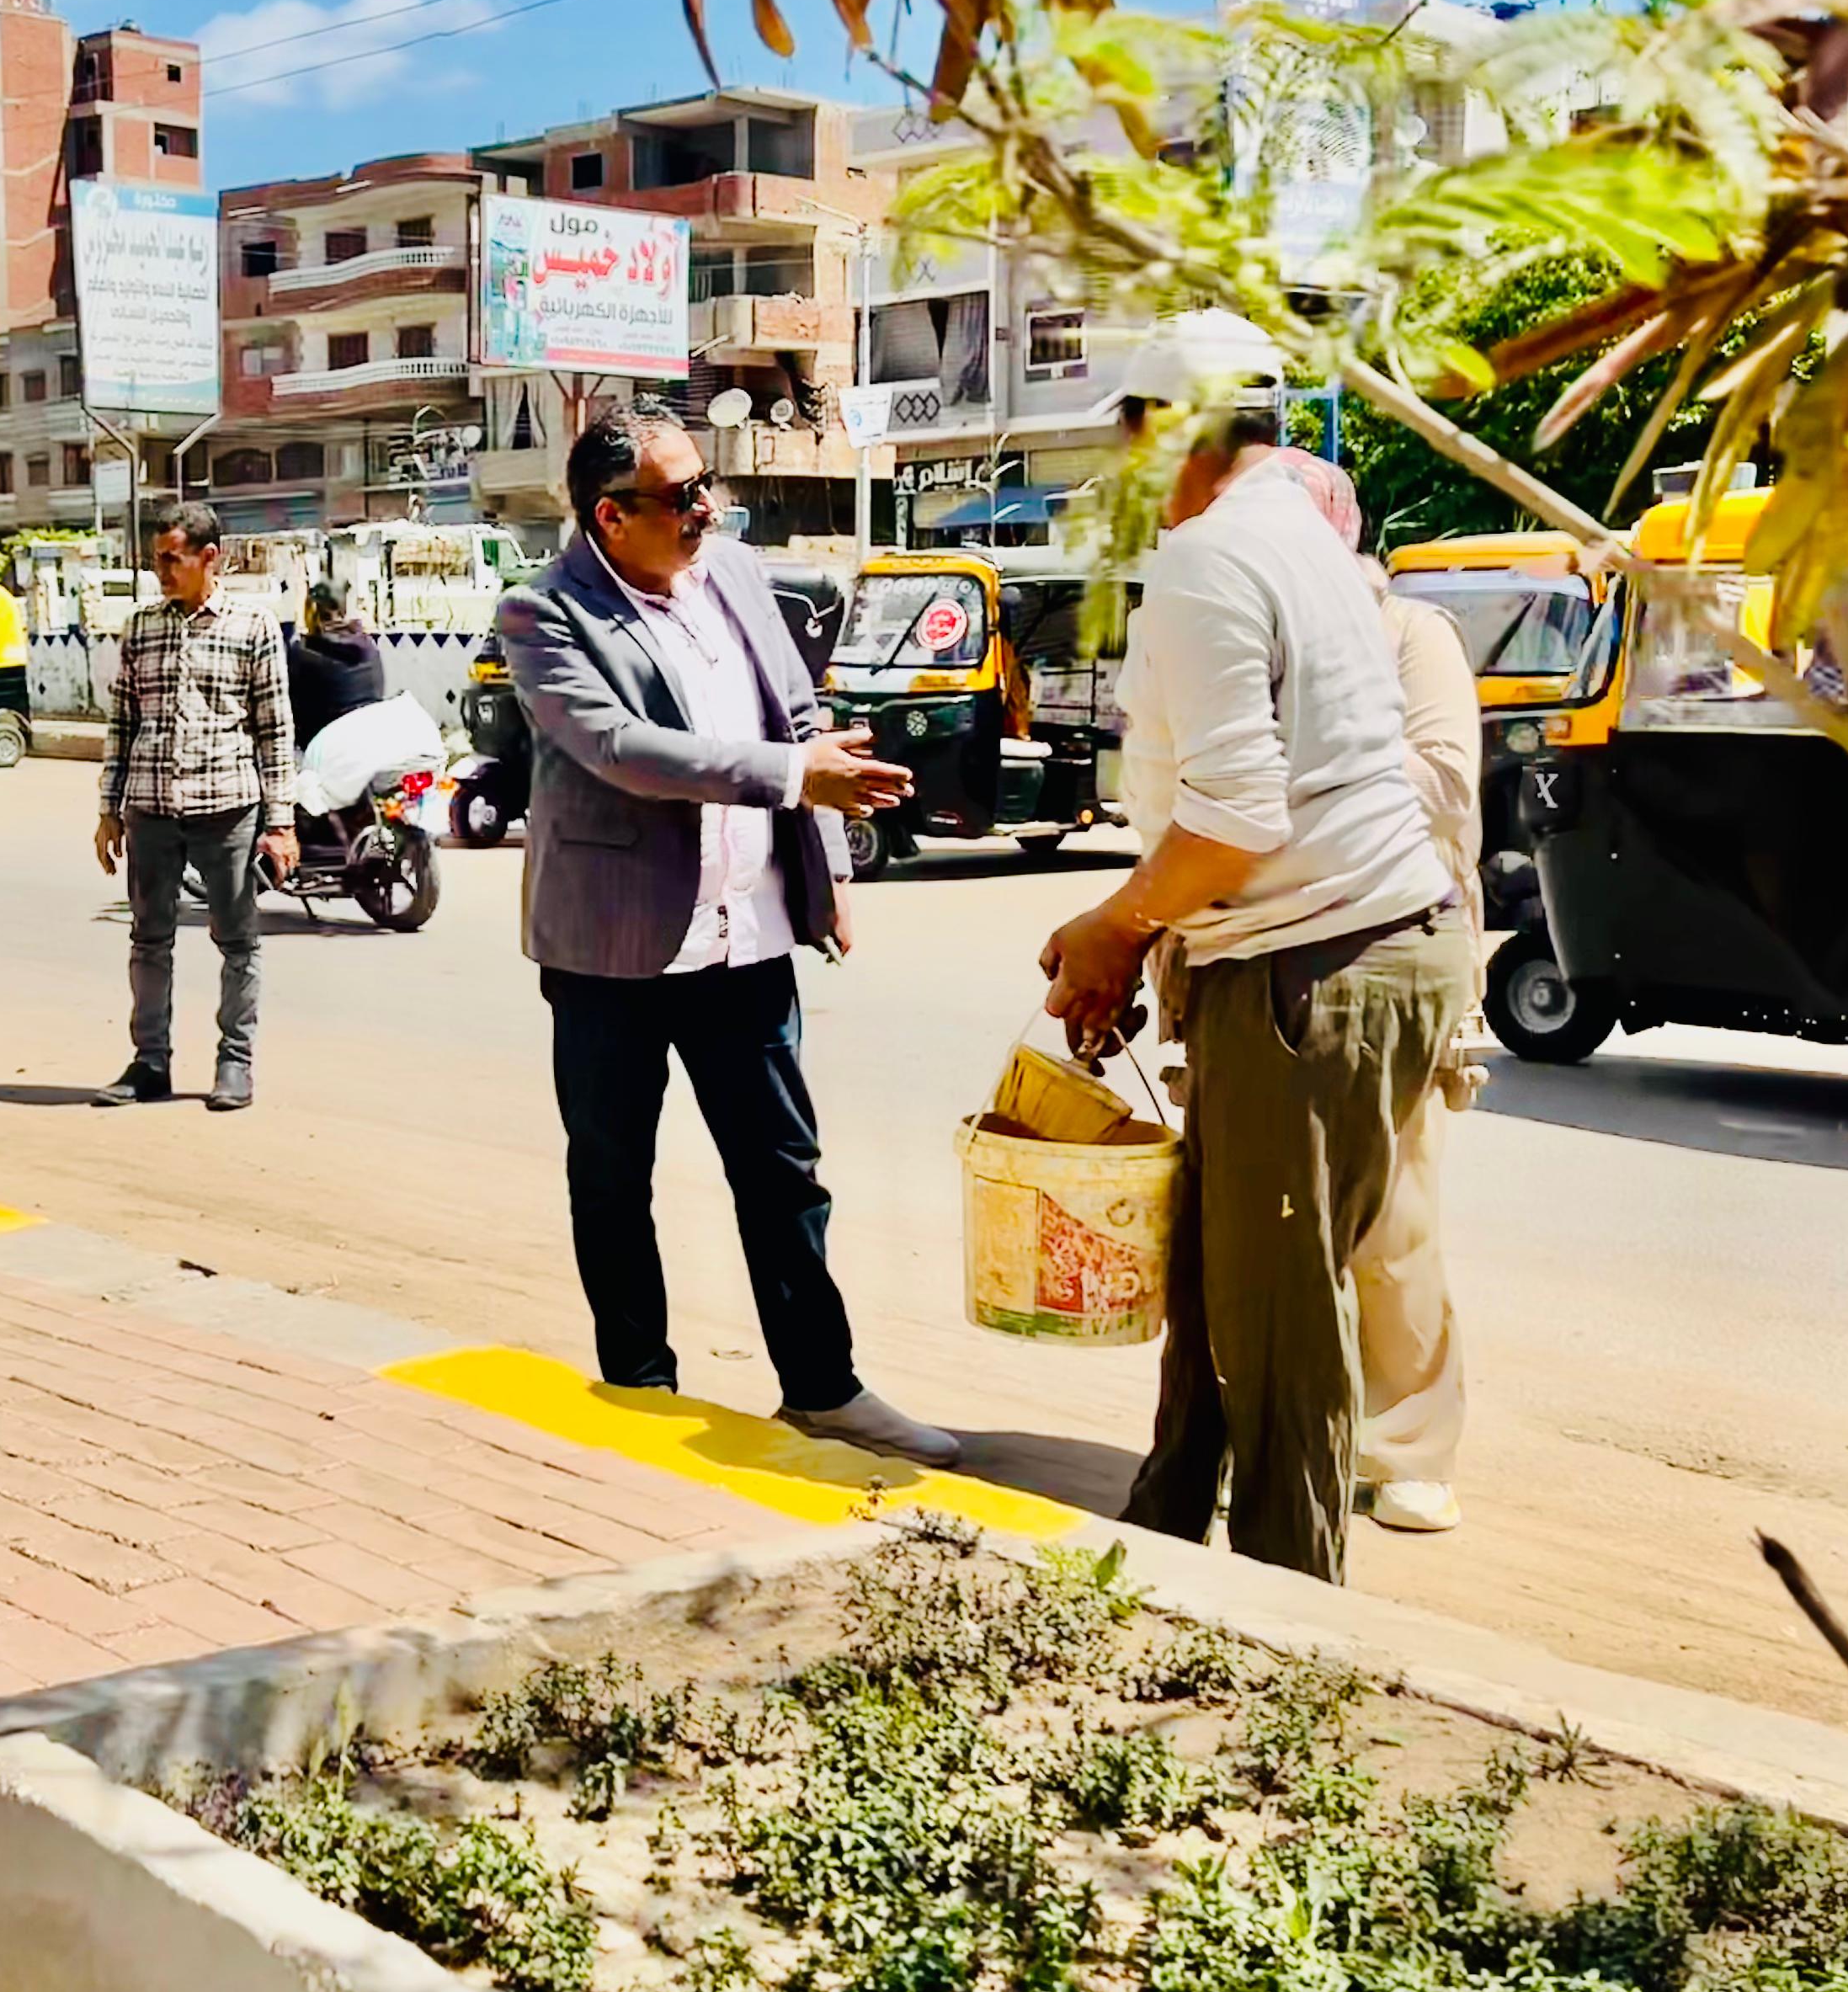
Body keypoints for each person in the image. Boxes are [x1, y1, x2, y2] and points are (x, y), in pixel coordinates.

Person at [1039, 330, 1465, 1583]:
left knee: (1277, 1321)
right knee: (1222, 1282)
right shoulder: (1307, 539)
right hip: (1350, 947)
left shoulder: (1211, 558)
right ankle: (1172, 1535)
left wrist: (1114, 928)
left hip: (1310, 968)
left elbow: (1235, 819)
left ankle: (1288, 1610)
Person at [498, 402, 959, 1466]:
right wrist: (797, 777)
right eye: (681, 497)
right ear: (611, 517)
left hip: (745, 935)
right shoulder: (545, 613)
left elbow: (798, 718)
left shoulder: (737, 573)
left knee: (784, 1171)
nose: (706, 509)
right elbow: (622, 749)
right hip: (613, 949)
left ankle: (824, 1388)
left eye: (706, 486)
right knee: (613, 1179)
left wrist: (827, 871)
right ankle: (639, 1389)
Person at [1275, 455, 1487, 1536]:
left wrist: (1317, 732)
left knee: (1392, 1222)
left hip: (1397, 950)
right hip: (1267, 954)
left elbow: (1447, 783)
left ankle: (1410, 1447)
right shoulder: (1248, 633)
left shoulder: (1412, 635)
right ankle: (1296, 1438)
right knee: (1278, 1223)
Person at [94, 503, 298, 1113]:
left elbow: (274, 730)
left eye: (171, 559)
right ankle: (149, 1062)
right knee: (149, 940)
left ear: (209, 557)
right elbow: (122, 723)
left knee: (237, 942)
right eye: (157, 559)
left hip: (228, 809)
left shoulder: (254, 627)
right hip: (151, 809)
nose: (161, 570)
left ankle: (235, 1062)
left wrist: (280, 823)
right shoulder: (141, 628)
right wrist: (109, 809)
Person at [285, 582, 388, 750]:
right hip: (372, 740)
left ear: (310, 612)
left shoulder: (302, 653)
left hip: (325, 749)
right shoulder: (369, 646)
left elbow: (290, 708)